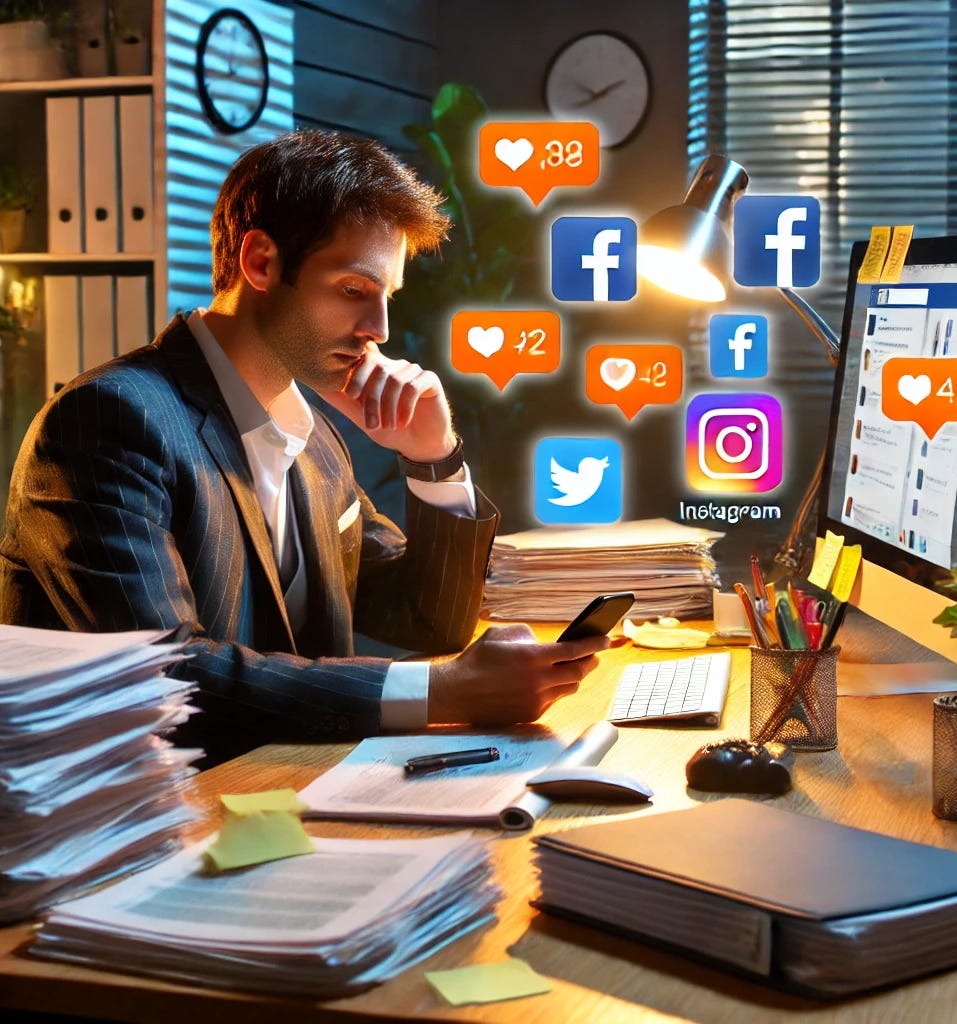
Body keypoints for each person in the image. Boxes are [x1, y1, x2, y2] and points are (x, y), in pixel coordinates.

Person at [0, 129, 608, 765]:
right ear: (260, 262)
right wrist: (446, 691)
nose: (380, 330)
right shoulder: (110, 418)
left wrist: (434, 457)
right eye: (353, 290)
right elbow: (162, 679)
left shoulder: (313, 438)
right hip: (133, 830)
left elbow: (427, 622)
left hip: (282, 795)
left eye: (386, 297)